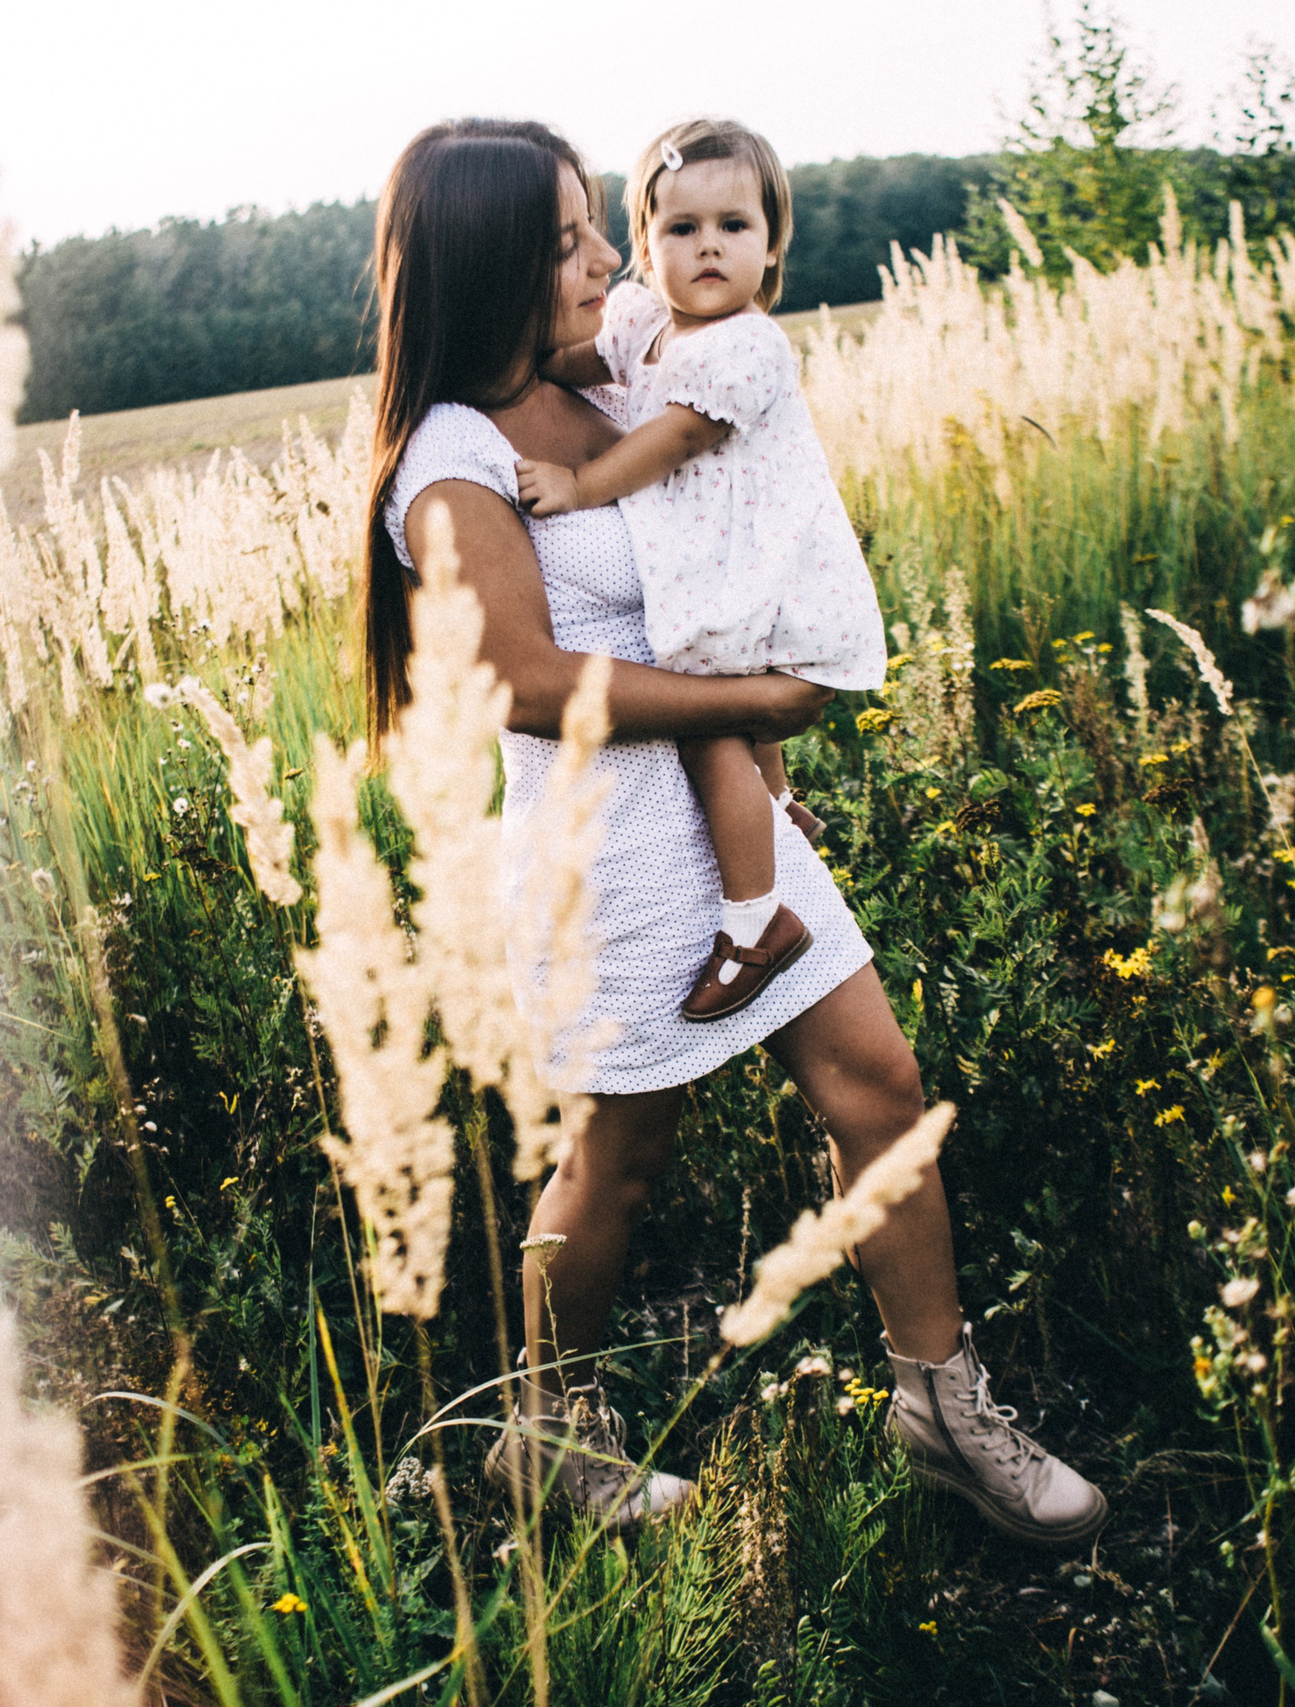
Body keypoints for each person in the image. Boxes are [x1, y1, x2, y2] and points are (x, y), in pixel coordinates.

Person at [364, 117, 1106, 1548]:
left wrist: (751, 751)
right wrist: (753, 696)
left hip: (731, 815)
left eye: (598, 227)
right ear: (488, 261)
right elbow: (518, 679)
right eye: (573, 236)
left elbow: (702, 560)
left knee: (881, 1089)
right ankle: (546, 1429)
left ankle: (945, 1410)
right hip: (611, 852)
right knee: (619, 1159)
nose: (604, 257)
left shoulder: (604, 389)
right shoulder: (450, 456)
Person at [515, 118, 885, 1026]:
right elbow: (569, 359)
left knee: (711, 723)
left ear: (772, 244)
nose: (709, 245)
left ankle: (756, 921)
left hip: (764, 569)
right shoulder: (643, 321)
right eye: (681, 230)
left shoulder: (746, 347)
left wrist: (580, 482)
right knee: (727, 682)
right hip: (723, 570)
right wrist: (513, 361)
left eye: (735, 226)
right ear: (644, 246)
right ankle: (782, 804)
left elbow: (673, 438)